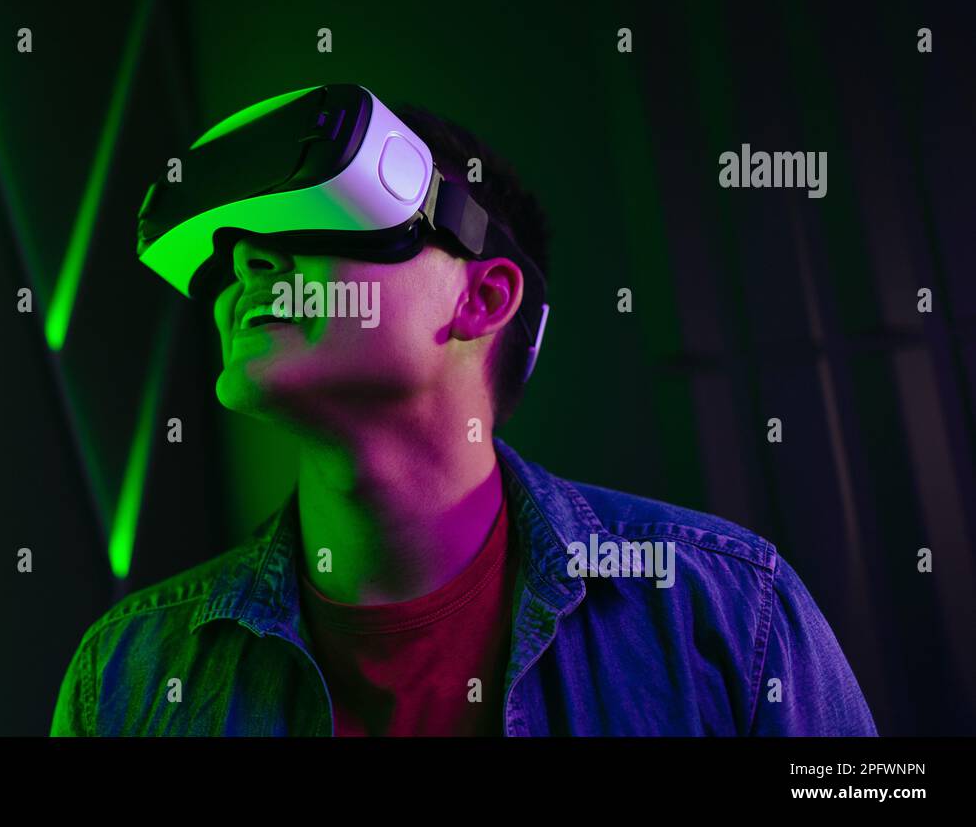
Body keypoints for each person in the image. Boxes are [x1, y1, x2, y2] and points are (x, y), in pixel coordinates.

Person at [51, 87, 877, 736]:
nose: (246, 259)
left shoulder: (723, 613)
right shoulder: (129, 673)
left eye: (320, 215)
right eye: (227, 249)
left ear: (484, 297)